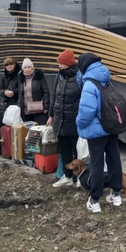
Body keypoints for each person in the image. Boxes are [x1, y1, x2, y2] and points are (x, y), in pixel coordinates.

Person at [76, 53, 123, 214]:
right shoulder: (106, 79)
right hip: (111, 127)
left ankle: (94, 200)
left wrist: (79, 124)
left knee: (97, 164)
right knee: (114, 159)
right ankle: (116, 195)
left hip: (97, 131)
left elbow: (86, 111)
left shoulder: (89, 83)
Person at [48, 49, 82, 188]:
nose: (59, 66)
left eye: (61, 63)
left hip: (74, 120)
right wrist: (51, 115)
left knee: (78, 150)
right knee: (65, 149)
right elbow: (54, 97)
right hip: (60, 119)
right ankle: (67, 177)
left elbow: (83, 98)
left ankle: (80, 177)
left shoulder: (79, 76)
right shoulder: (59, 76)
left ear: (68, 63)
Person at [17, 58, 50, 125]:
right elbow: (20, 95)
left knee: (39, 130)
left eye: (29, 67)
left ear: (32, 68)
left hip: (38, 109)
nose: (27, 69)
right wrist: (18, 107)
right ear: (22, 69)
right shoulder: (21, 79)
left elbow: (46, 92)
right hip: (25, 110)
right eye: (25, 67)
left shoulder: (39, 77)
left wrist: (46, 107)